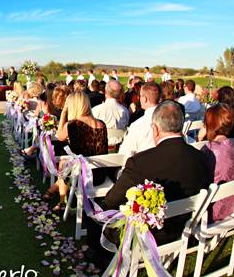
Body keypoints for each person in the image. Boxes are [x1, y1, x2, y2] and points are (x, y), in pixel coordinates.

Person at [88, 101, 212, 252]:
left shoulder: (140, 162)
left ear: (155, 129)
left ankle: (97, 258)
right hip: (183, 227)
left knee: (97, 215)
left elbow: (113, 200)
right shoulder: (202, 157)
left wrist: (97, 210)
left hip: (148, 233)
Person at [44, 92, 108, 210]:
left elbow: (59, 137)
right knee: (66, 162)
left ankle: (62, 201)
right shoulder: (102, 124)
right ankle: (54, 189)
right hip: (100, 173)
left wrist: (63, 113)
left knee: (64, 162)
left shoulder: (72, 124)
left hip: (83, 175)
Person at [200, 104, 234, 222]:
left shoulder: (210, 149)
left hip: (210, 209)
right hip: (228, 205)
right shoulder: (230, 145)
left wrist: (199, 138)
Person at [119, 82, 161, 157]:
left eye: (140, 96)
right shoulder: (171, 120)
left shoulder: (138, 125)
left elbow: (125, 154)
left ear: (144, 99)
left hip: (144, 164)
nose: (139, 98)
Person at [91, 80, 130, 146]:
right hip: (120, 147)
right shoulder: (125, 111)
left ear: (105, 92)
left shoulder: (96, 110)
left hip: (100, 148)